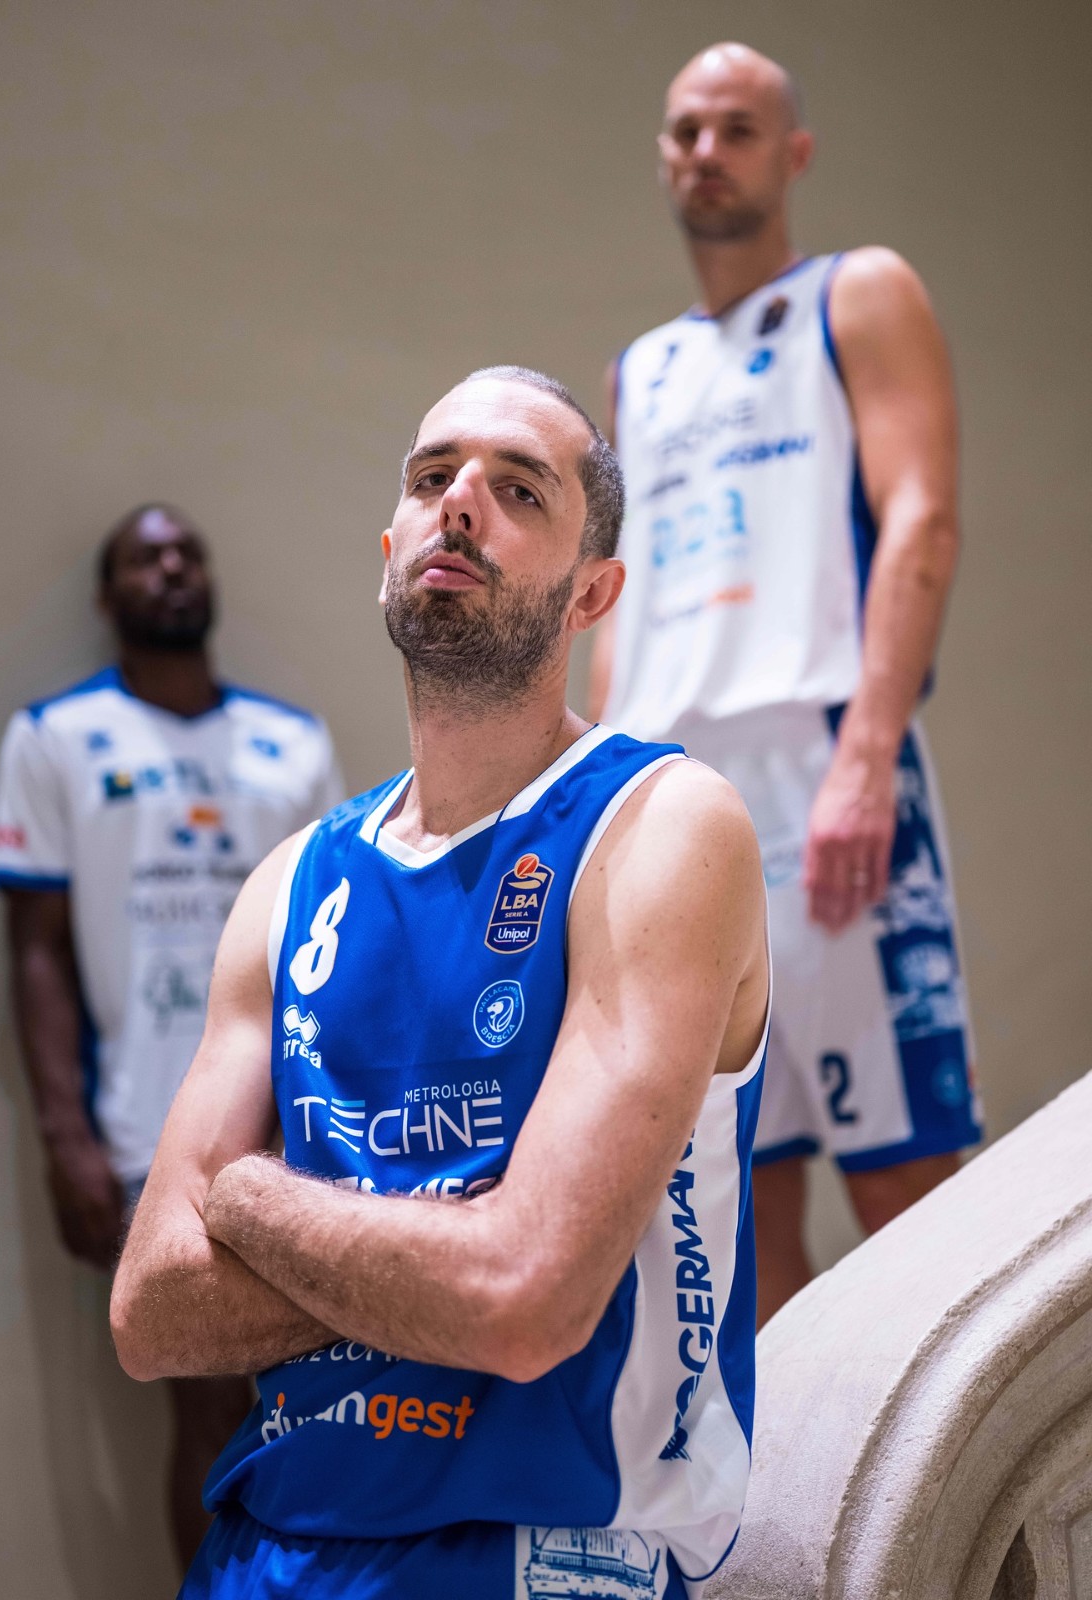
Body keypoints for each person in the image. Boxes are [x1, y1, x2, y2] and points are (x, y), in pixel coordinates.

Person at [111, 369, 770, 1599]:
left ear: (593, 593)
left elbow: (522, 1299)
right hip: (258, 1550)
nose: (461, 501)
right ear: (390, 554)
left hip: (536, 1551)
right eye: (432, 477)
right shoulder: (289, 883)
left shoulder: (663, 824)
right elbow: (152, 1311)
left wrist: (249, 1197)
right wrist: (449, 1236)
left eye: (520, 489)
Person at [590, 42, 981, 1324]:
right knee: (733, 1216)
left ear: (794, 153)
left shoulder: (855, 294)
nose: (706, 152)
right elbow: (622, 601)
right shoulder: (641, 373)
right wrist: (598, 804)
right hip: (678, 804)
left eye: (737, 129)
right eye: (684, 130)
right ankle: (814, 1473)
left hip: (822, 763)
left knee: (910, 1199)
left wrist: (867, 756)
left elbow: (920, 518)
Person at [0, 503, 344, 1568]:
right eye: (147, 559)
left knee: (320, 1401)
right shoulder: (55, 736)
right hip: (147, 1128)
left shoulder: (293, 742)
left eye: (189, 553)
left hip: (297, 1125)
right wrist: (65, 1139)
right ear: (109, 597)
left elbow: (338, 934)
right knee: (209, 1402)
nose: (174, 569)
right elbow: (37, 950)